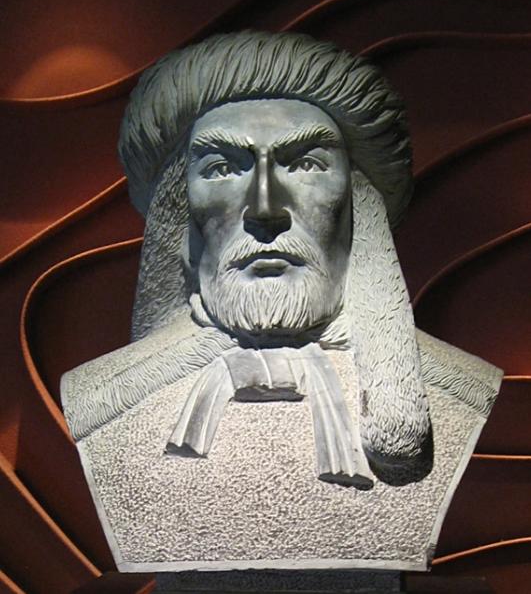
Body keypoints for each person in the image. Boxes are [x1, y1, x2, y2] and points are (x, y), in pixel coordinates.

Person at [62, 31, 502, 572]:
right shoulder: (101, 401)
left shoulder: (458, 390)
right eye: (222, 168)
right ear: (178, 212)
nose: (265, 208)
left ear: (358, 202)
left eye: (306, 163)